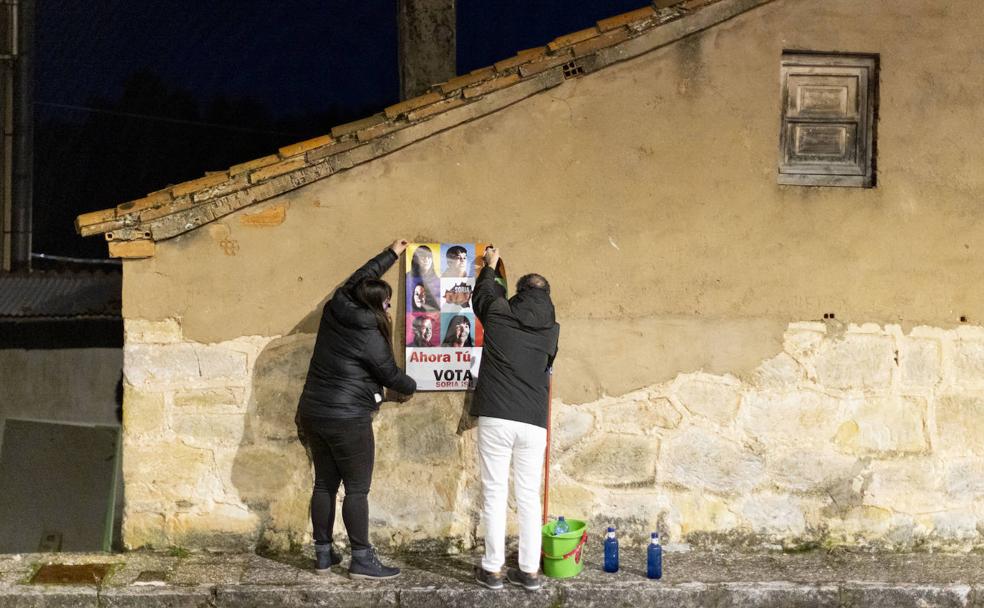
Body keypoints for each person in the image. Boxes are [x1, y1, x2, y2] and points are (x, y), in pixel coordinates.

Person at [295, 239, 417, 579]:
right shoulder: (370, 336)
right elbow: (389, 374)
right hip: (347, 418)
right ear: (378, 305)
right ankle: (361, 558)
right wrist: (413, 385)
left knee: (324, 484)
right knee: (357, 489)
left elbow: (361, 276)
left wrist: (391, 253)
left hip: (313, 411)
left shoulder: (338, 303)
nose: (391, 306)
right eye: (388, 302)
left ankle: (323, 555)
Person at [470, 246, 560, 592]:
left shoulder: (499, 313)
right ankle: (529, 571)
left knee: (494, 491)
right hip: (534, 420)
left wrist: (491, 266)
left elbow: (483, 295)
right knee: (528, 495)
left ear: (519, 293)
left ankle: (493, 569)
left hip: (497, 414)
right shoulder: (552, 329)